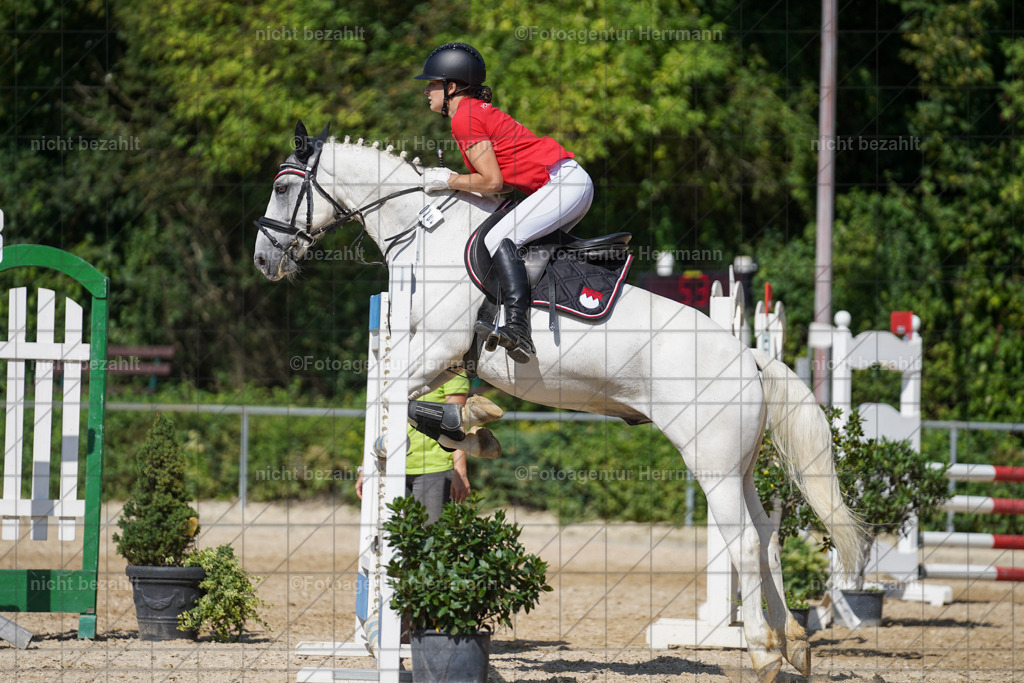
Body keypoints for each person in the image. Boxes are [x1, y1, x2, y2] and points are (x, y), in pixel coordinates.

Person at [415, 42, 595, 364]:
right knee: (525, 251)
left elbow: (492, 182)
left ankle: (518, 329)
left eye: (432, 83)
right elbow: (494, 187)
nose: (427, 90)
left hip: (563, 185)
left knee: (498, 238)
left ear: (451, 87)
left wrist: (448, 179)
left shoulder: (464, 118)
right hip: (568, 184)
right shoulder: (471, 114)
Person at [356, 373, 471, 523]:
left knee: (433, 537)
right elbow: (379, 423)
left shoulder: (453, 369)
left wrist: (460, 472)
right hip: (390, 467)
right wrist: (365, 468)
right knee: (393, 536)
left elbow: (457, 425)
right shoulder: (390, 369)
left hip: (434, 468)